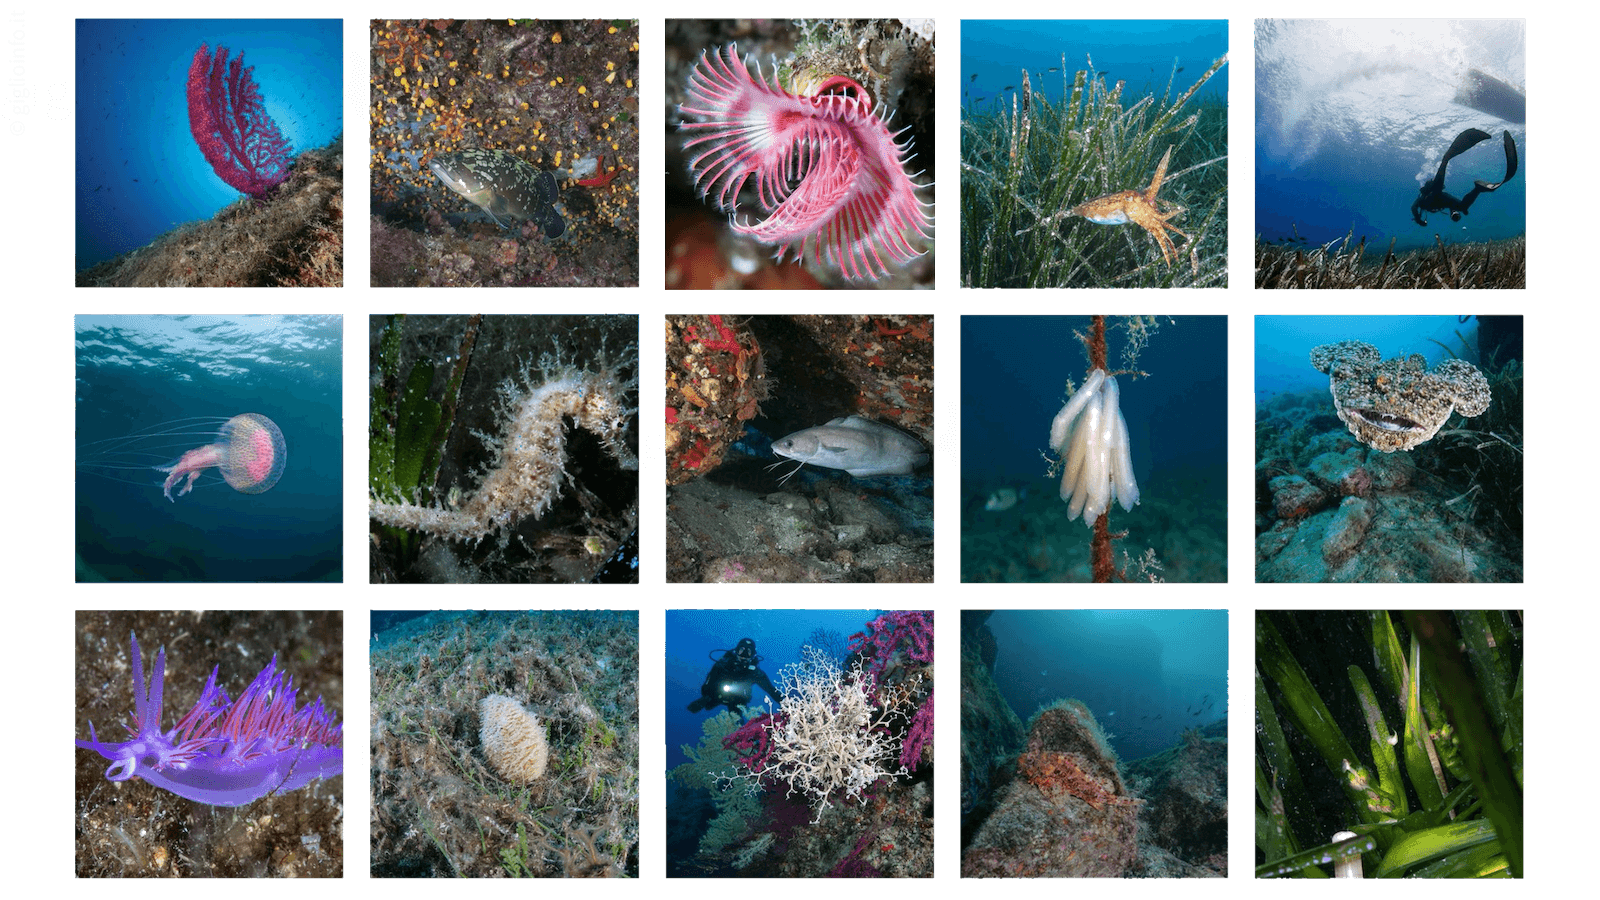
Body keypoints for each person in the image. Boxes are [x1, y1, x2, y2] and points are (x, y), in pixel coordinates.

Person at [1412, 128, 1517, 226]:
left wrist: (1418, 220)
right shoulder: (1432, 200)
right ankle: (1478, 188)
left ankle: (1446, 159)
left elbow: (1413, 207)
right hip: (1440, 196)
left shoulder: (1421, 201)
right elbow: (1450, 205)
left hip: (1435, 194)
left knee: (1439, 184)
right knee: (1463, 206)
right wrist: (1454, 211)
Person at [686, 638, 780, 720]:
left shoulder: (755, 672)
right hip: (717, 694)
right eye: (741, 650)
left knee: (737, 722)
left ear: (753, 655)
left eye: (749, 652)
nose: (744, 654)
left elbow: (771, 690)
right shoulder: (723, 664)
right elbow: (708, 683)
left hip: (738, 700)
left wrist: (787, 704)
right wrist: (706, 698)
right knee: (706, 704)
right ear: (736, 651)